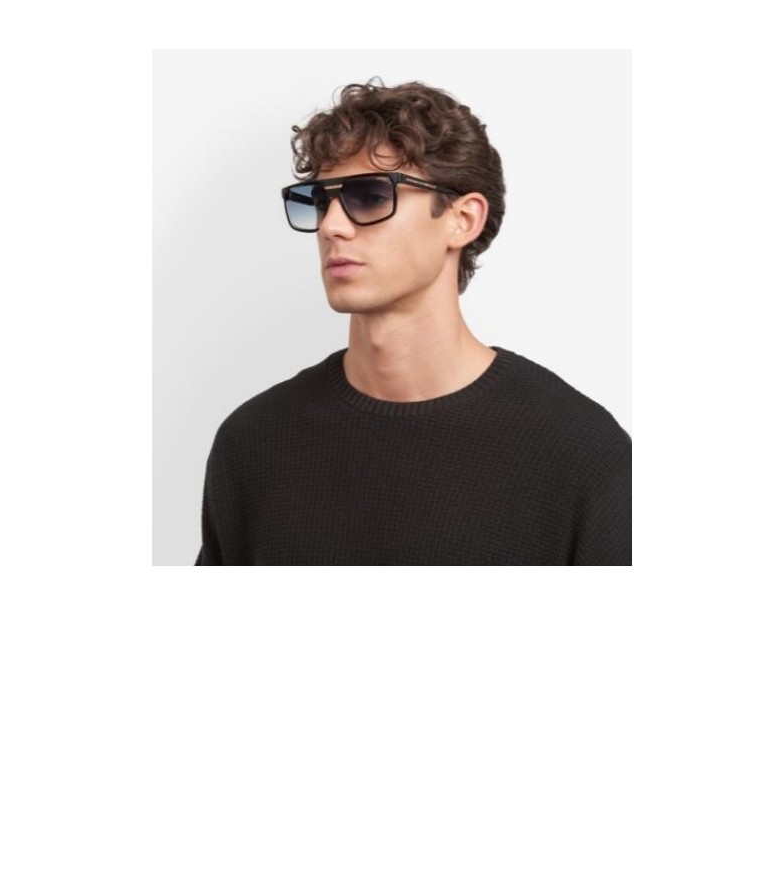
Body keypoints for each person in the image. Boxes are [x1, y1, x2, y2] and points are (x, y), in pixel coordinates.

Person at [196, 78, 631, 565]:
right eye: (319, 201)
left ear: (463, 219)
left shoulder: (581, 454)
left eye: (369, 196)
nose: (331, 226)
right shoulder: (254, 443)